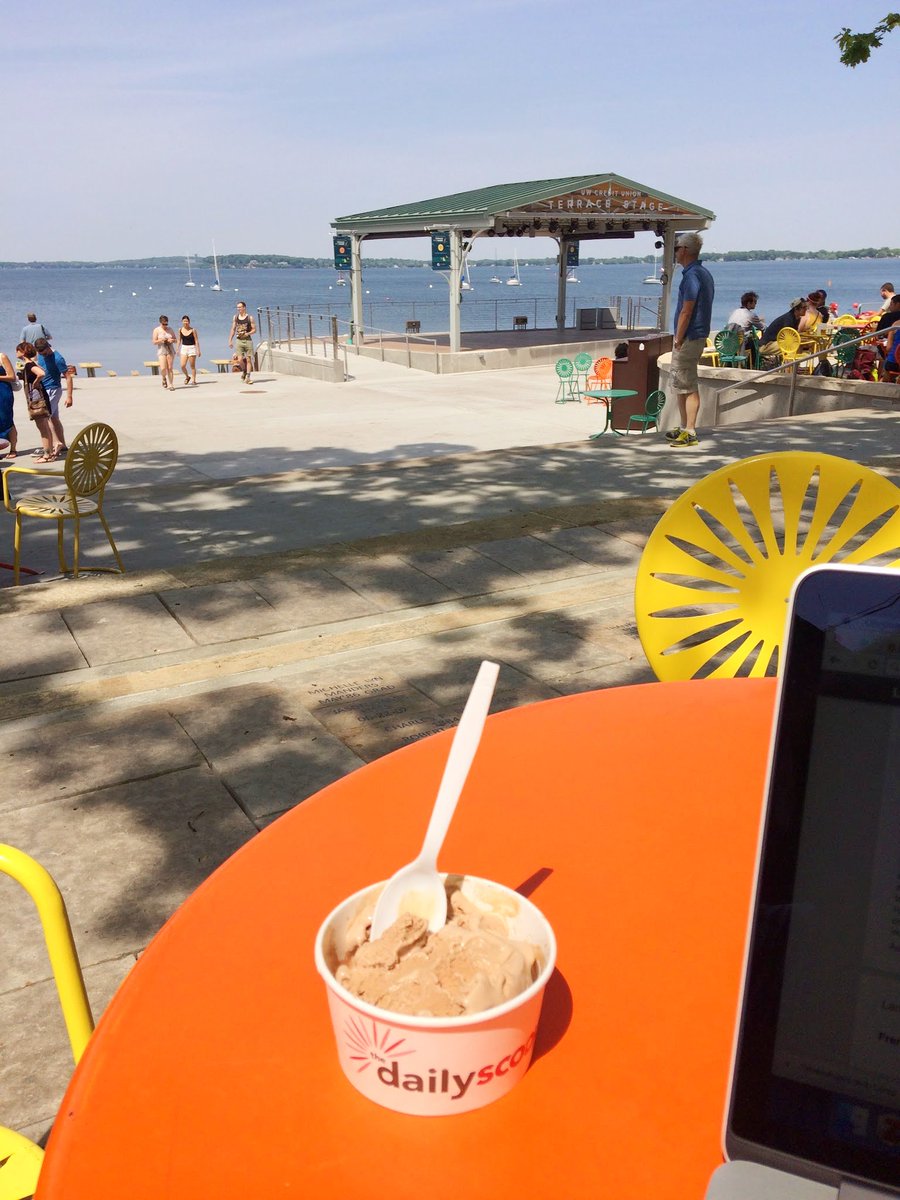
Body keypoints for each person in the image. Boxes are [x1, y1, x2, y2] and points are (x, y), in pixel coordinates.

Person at [666, 232, 714, 448]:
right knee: (681, 382)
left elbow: (687, 309)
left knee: (687, 382)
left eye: (677, 248)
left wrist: (678, 336)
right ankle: (684, 426)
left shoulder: (692, 275)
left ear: (684, 250)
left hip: (689, 336)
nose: (675, 253)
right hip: (698, 334)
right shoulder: (703, 273)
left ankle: (690, 430)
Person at [33, 336, 73, 458]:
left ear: (48, 347)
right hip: (43, 389)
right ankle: (63, 445)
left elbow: (68, 377)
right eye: (40, 353)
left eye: (44, 353)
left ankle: (52, 446)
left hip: (53, 389)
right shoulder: (39, 354)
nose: (43, 355)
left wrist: (69, 396)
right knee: (54, 418)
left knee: (45, 418)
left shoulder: (58, 358)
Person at [15, 343, 55, 463]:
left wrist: (36, 382)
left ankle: (47, 454)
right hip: (41, 398)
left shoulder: (29, 365)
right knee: (46, 426)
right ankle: (50, 452)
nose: (16, 353)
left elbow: (41, 373)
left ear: (23, 352)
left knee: (42, 428)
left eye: (17, 351)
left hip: (38, 400)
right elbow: (41, 370)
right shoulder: (30, 364)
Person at [228, 300, 256, 383]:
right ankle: (244, 370)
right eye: (237, 307)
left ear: (244, 307)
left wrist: (247, 333)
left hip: (247, 340)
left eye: (240, 307)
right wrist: (230, 340)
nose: (238, 309)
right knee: (239, 360)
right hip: (239, 340)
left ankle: (248, 377)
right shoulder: (236, 317)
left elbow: (254, 330)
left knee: (248, 359)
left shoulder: (250, 318)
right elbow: (233, 329)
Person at [0, 350, 18, 458]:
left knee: (7, 419)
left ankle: (13, 449)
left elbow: (12, 376)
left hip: (3, 391)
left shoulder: (2, 356)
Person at [152, 315, 177, 389]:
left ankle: (171, 384)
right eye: (164, 324)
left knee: (170, 367)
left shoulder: (170, 329)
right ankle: (163, 378)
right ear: (160, 323)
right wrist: (161, 340)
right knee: (163, 368)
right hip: (161, 350)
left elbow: (176, 340)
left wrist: (172, 340)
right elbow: (154, 342)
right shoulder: (156, 330)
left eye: (166, 324)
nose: (165, 325)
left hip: (170, 349)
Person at [177, 316, 201, 385]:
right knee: (182, 365)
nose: (185, 322)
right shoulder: (180, 330)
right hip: (184, 348)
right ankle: (187, 376)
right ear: (182, 322)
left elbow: (196, 340)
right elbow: (179, 340)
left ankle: (194, 380)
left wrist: (198, 350)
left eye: (187, 321)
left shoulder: (193, 330)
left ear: (189, 322)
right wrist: (177, 349)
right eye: (184, 321)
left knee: (192, 366)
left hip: (192, 348)